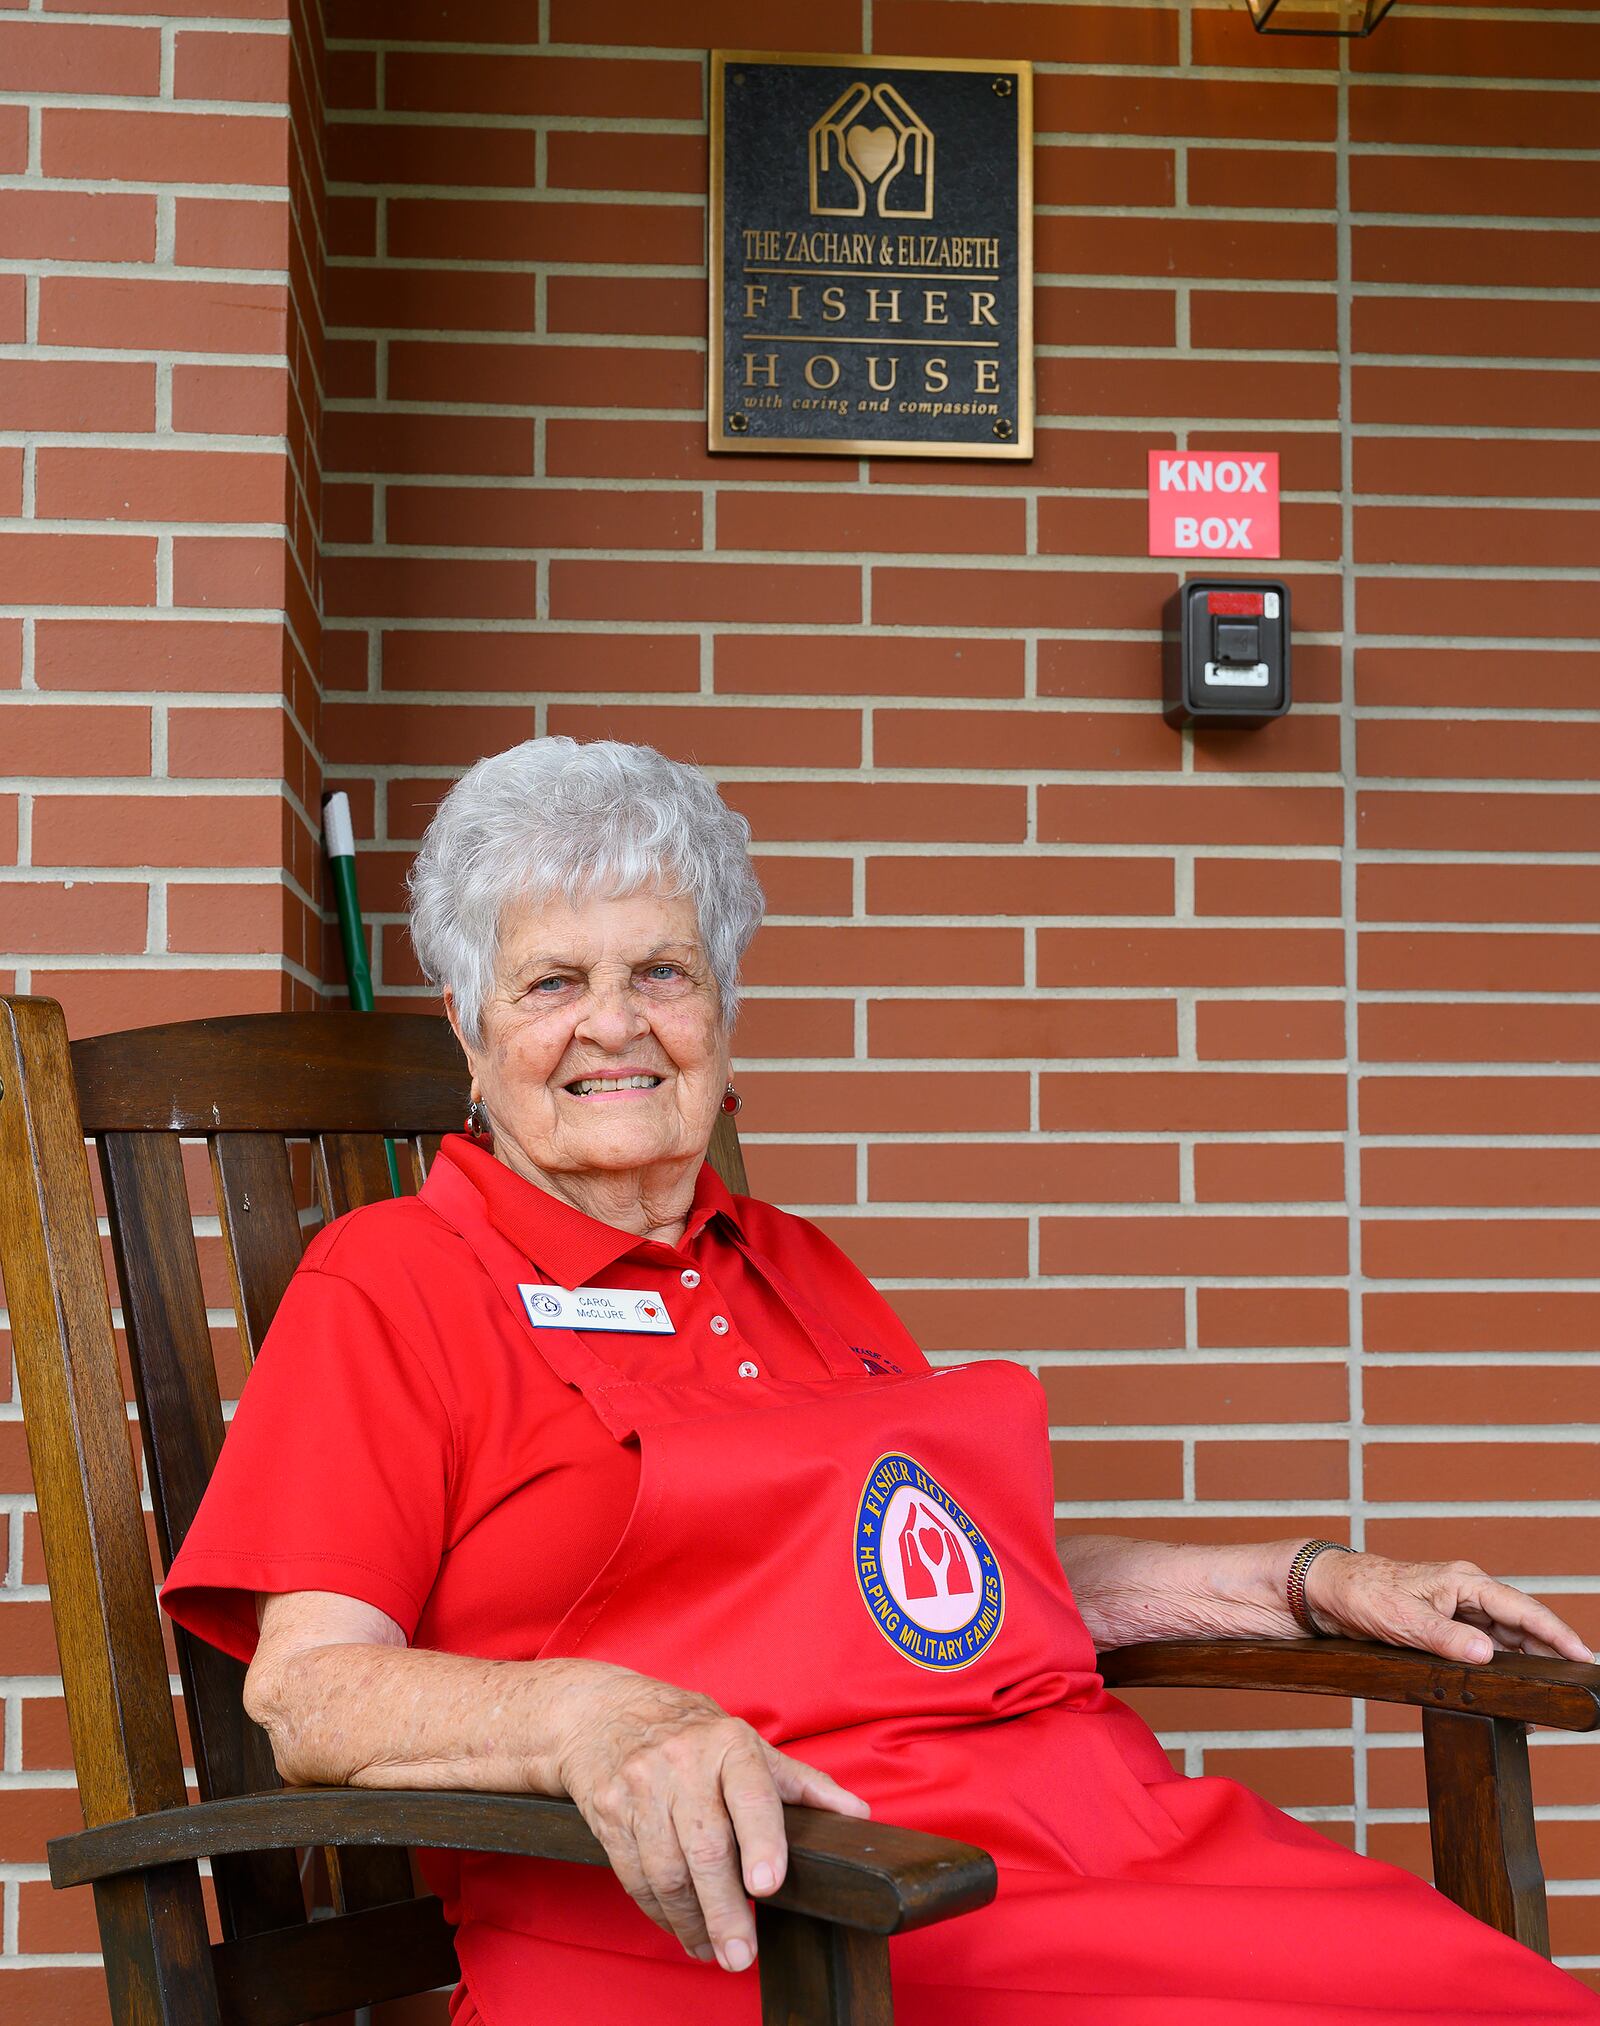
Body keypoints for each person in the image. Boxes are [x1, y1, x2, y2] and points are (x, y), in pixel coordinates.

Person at [161, 738, 1600, 2025]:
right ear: (472, 1036)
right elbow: (312, 1689)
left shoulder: (789, 1261)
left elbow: (945, 1586)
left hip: (1098, 1837)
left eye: (662, 970)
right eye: (553, 981)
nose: (614, 1023)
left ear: (721, 1011)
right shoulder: (399, 1277)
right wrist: (594, 1718)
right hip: (775, 1908)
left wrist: (1300, 1576)